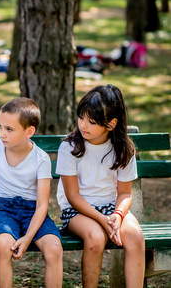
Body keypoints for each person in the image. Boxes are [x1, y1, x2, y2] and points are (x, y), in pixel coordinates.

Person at [0, 97, 63, 288]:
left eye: (9, 129)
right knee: (3, 245)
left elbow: (42, 205)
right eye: (0, 127)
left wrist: (27, 237)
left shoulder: (41, 159)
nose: (2, 134)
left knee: (54, 248)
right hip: (4, 209)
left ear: (29, 131)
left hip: (33, 211)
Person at [56, 84, 145, 288]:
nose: (83, 125)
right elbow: (72, 196)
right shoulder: (69, 148)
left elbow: (124, 193)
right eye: (81, 118)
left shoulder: (123, 149)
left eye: (92, 121)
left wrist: (118, 215)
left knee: (136, 237)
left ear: (111, 124)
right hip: (77, 211)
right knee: (95, 238)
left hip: (110, 207)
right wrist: (101, 219)